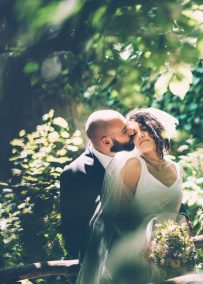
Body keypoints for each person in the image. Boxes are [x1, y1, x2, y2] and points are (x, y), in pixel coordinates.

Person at [77, 108, 185, 283]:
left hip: (170, 254)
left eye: (144, 129)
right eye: (133, 134)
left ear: (155, 128)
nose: (140, 136)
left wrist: (178, 231)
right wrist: (147, 241)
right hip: (136, 255)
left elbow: (176, 209)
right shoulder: (133, 166)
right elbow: (117, 218)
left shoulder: (177, 168)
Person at [59, 110, 135, 261]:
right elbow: (72, 237)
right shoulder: (74, 175)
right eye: (125, 131)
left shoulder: (136, 156)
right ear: (107, 142)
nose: (132, 132)